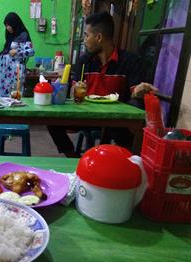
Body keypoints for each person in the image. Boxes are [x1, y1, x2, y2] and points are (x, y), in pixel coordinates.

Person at [48, 11, 157, 157]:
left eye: (87, 35)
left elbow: (134, 92)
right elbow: (74, 92)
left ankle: (126, 158)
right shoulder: (84, 60)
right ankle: (72, 156)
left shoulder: (130, 61)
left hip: (115, 120)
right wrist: (72, 89)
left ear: (98, 37)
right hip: (85, 116)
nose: (84, 40)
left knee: (136, 107)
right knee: (52, 119)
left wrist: (139, 91)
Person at [0, 12, 34, 97]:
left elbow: (31, 51)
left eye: (9, 25)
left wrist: (17, 52)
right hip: (4, 74)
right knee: (4, 99)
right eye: (6, 25)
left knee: (15, 96)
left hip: (15, 73)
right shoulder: (9, 35)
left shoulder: (23, 35)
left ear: (15, 23)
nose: (7, 28)